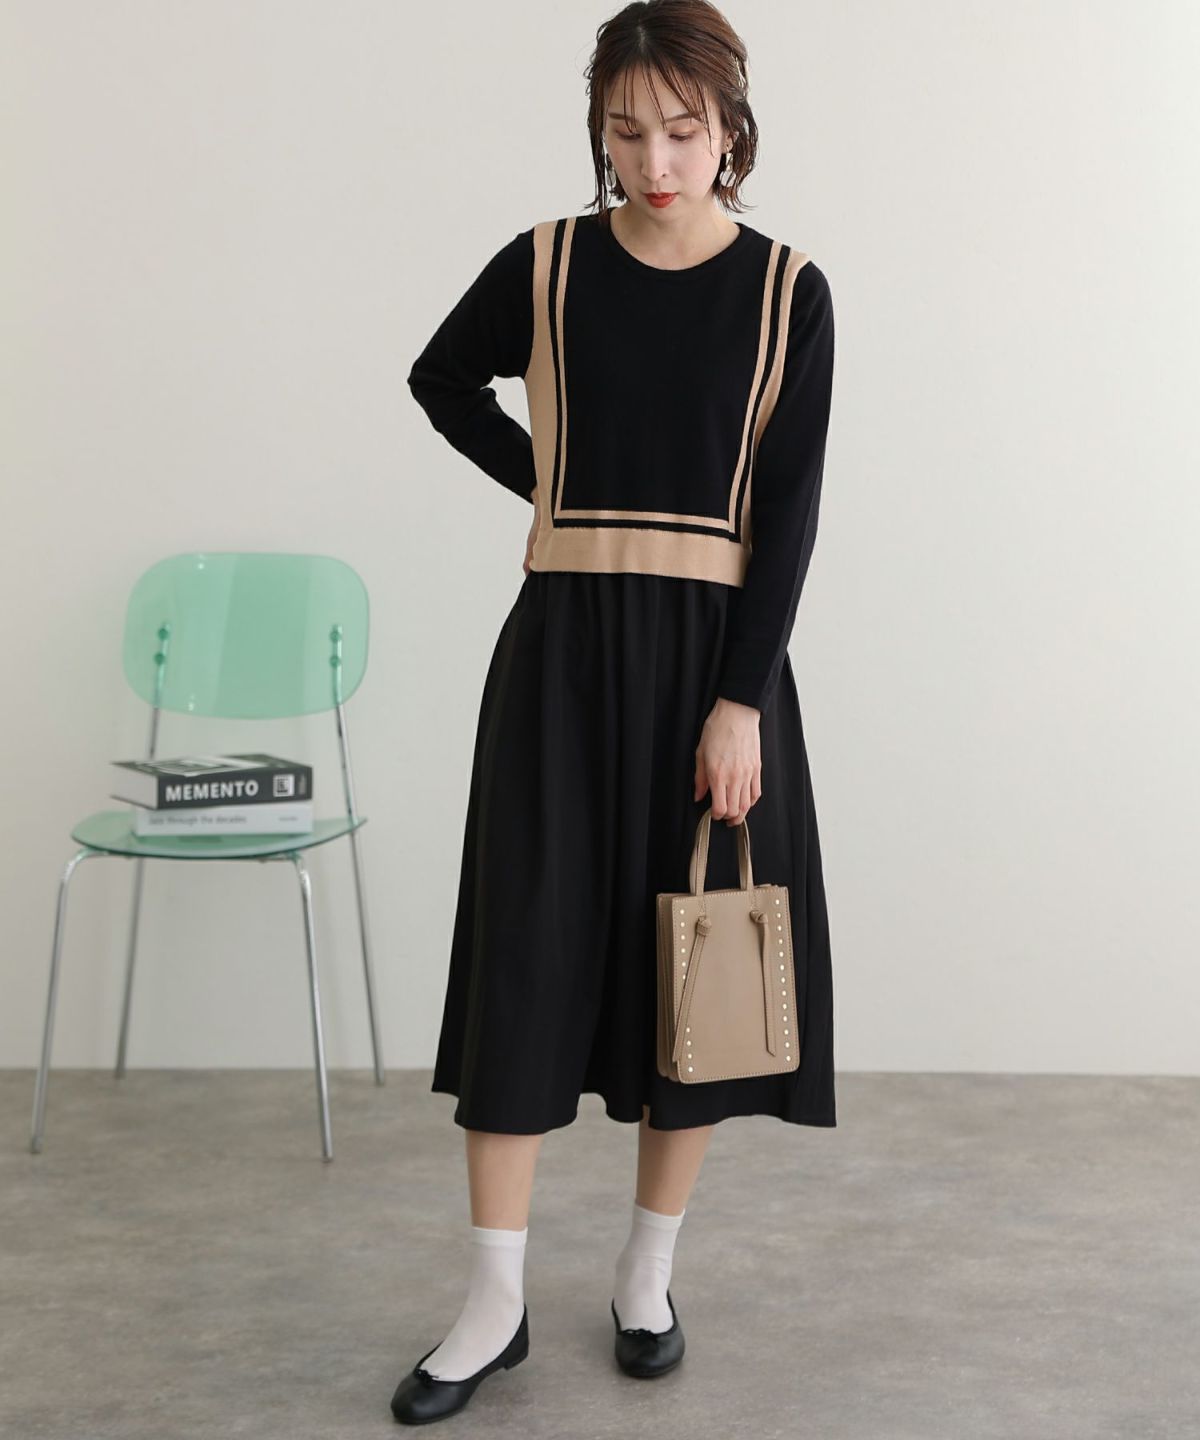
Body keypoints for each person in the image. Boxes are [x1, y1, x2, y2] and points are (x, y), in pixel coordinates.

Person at [390, 0, 837, 1423]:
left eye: (684, 132)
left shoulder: (788, 292)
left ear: (730, 128)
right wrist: (549, 481)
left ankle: (648, 1275)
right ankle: (494, 1303)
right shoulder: (545, 265)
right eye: (626, 131)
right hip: (562, 654)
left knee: (689, 974)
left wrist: (740, 702)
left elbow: (788, 517)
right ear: (598, 129)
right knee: (521, 962)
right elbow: (439, 379)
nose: (655, 161)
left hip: (712, 669)